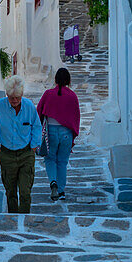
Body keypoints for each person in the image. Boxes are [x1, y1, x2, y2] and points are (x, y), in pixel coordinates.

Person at [0, 75, 42, 214]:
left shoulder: (29, 107)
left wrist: (34, 147)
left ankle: (24, 219)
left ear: (22, 94)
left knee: (25, 191)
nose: (15, 101)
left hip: (26, 154)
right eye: (12, 98)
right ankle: (13, 220)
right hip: (7, 154)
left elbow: (36, 126)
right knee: (10, 192)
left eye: (17, 97)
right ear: (7, 94)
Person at [36, 67, 80, 201]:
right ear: (68, 81)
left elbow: (39, 111)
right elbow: (76, 116)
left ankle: (53, 182)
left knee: (50, 159)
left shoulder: (48, 94)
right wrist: (73, 133)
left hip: (51, 132)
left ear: (55, 80)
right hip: (66, 133)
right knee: (62, 162)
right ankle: (61, 191)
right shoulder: (72, 96)